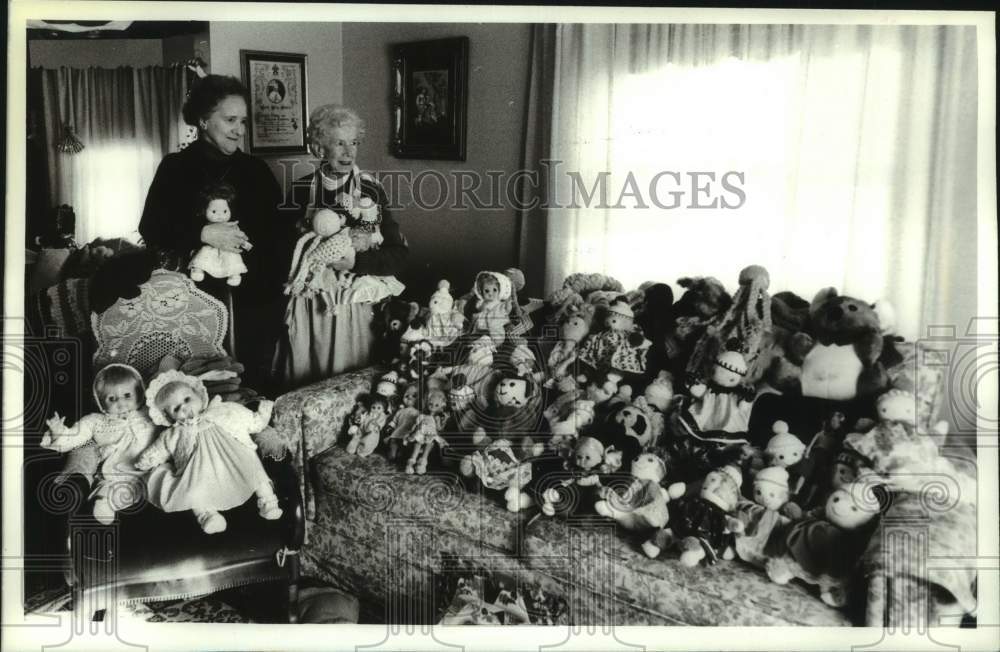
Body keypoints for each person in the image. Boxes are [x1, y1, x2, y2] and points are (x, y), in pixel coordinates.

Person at [138, 74, 284, 393]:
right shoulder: (175, 168)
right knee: (200, 387)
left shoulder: (256, 170)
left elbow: (279, 231)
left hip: (254, 301)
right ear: (203, 120)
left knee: (249, 387)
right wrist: (204, 233)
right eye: (230, 120)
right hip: (194, 300)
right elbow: (151, 226)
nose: (240, 130)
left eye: (243, 121)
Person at [275, 104, 408, 389]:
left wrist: (357, 262)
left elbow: (399, 255)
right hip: (310, 308)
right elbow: (281, 254)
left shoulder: (372, 191)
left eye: (354, 143)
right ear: (319, 149)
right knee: (304, 383)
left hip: (352, 311)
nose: (349, 152)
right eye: (339, 143)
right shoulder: (300, 191)